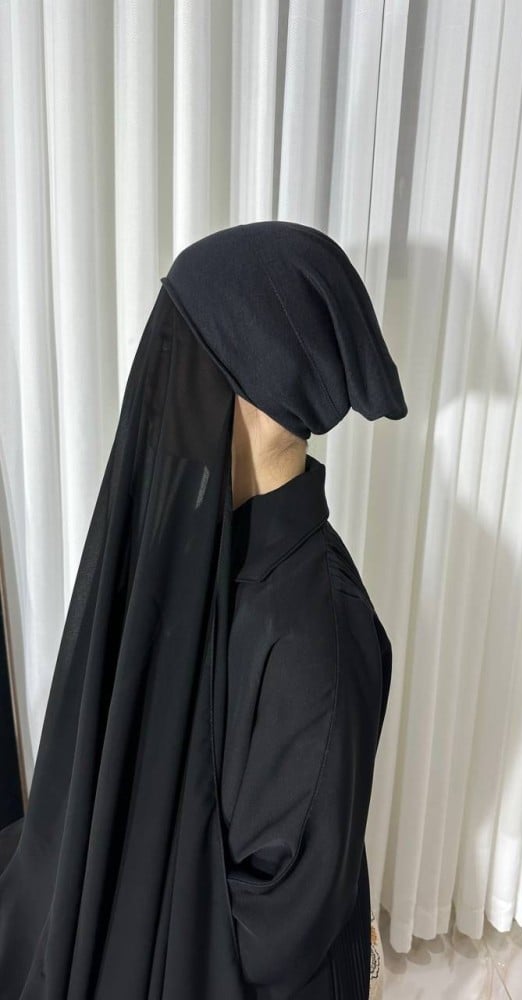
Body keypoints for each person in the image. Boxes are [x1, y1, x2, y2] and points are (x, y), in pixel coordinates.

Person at [0, 220, 407, 999]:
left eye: (181, 361)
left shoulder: (316, 634)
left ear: (258, 394)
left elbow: (273, 927)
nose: (159, 391)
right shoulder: (205, 556)